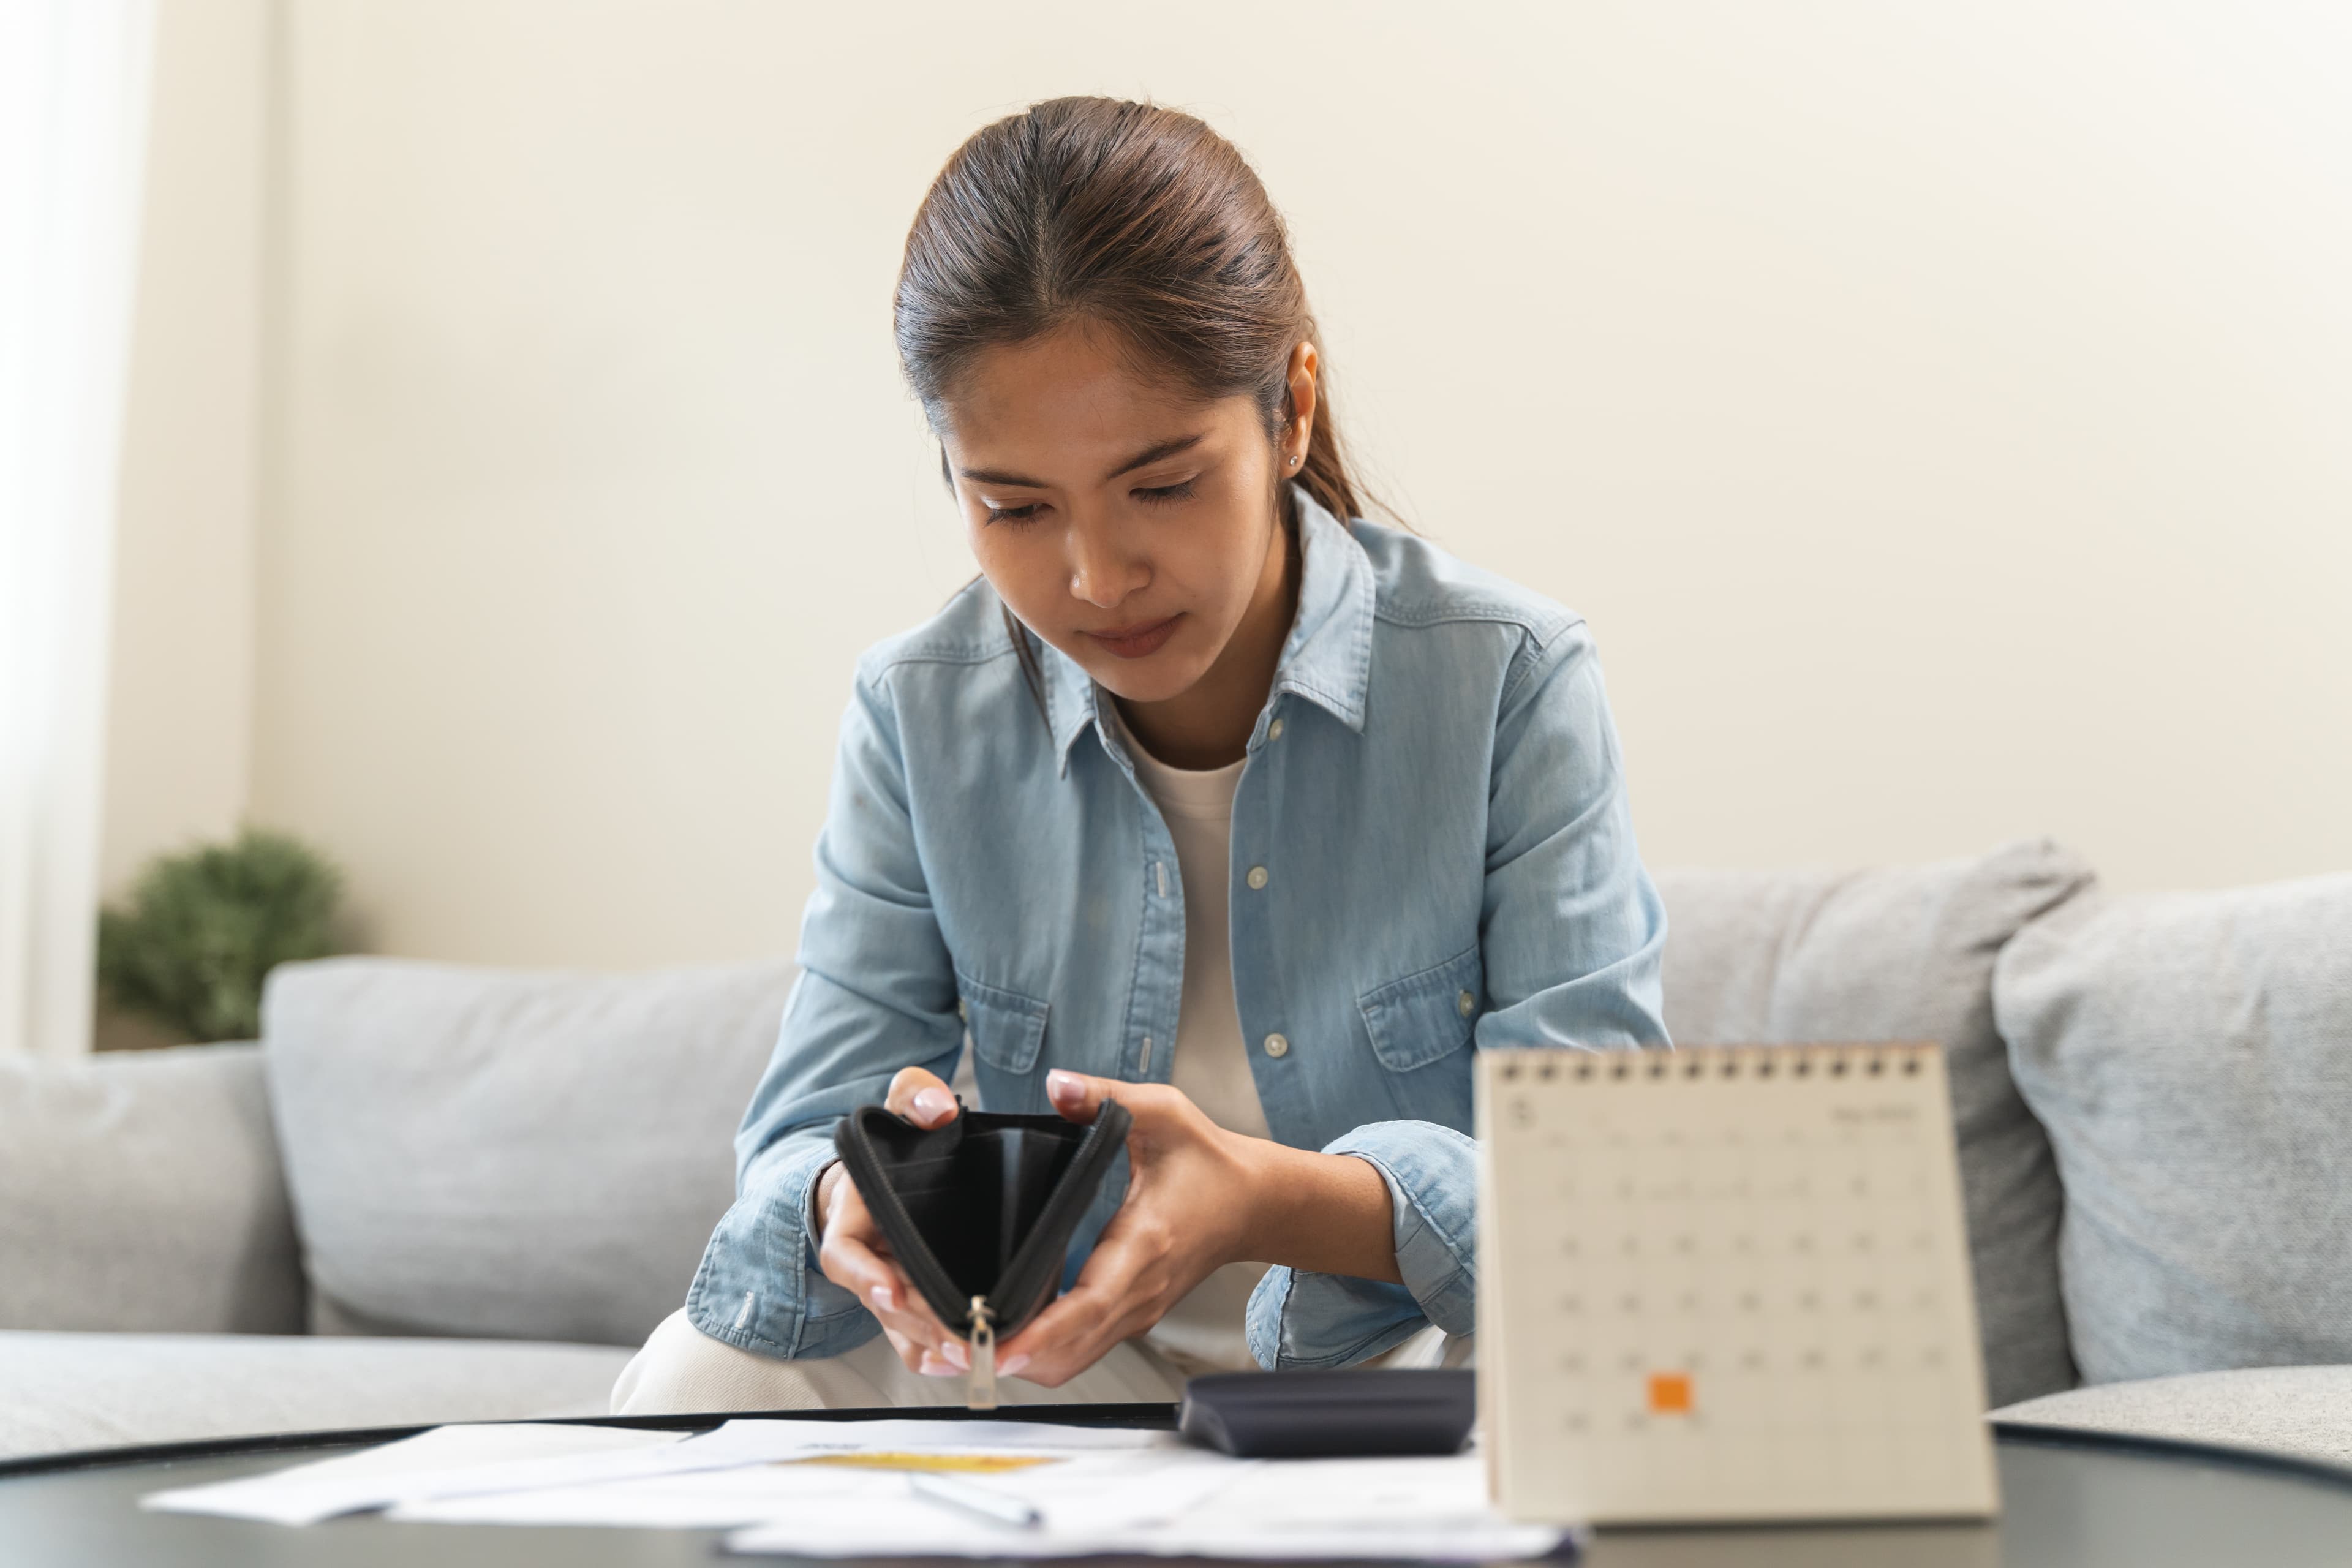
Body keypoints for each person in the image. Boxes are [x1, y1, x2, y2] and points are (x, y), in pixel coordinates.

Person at [613, 96, 1667, 1414]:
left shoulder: (1506, 675)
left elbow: (1594, 1186)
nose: (1098, 578)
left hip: (1388, 1349)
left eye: (1161, 486)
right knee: (703, 1367)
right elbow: (800, 1136)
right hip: (1048, 1356)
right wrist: (852, 1193)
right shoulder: (915, 710)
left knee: (1595, 1363)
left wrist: (1263, 1200)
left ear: (1290, 410)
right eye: (1015, 506)